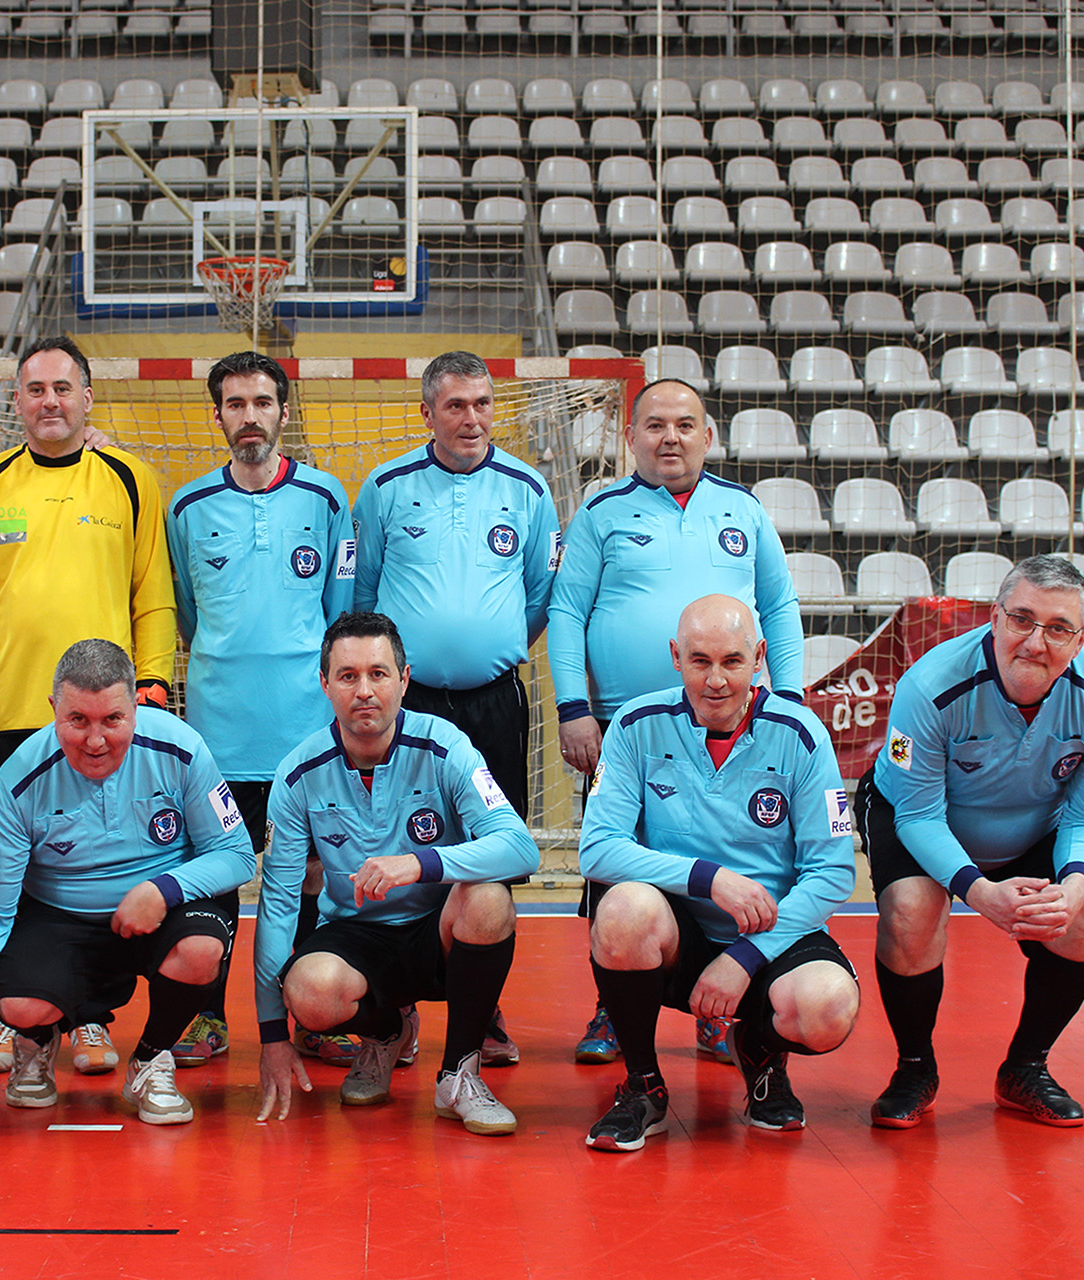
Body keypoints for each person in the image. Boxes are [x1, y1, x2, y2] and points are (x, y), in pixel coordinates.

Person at [548, 378, 805, 1067]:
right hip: (623, 730)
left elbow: (779, 608)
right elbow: (567, 613)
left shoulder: (743, 510)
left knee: (727, 854)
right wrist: (574, 709)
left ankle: (716, 1011)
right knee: (615, 873)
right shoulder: (601, 510)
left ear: (707, 436)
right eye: (655, 425)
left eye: (685, 425)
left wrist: (793, 698)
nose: (670, 437)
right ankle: (613, 1003)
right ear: (631, 437)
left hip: (734, 721)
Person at [0, 337, 176, 1069]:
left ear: (88, 397)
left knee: (106, 859)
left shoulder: (132, 480)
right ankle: (17, 1010)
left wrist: (154, 695)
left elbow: (154, 597)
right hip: (12, 715)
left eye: (63, 388)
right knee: (10, 868)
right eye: (35, 389)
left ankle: (91, 1014)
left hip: (106, 722)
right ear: (17, 401)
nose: (49, 401)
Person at [859, 554, 1084, 1129]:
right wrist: (979, 893)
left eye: (1058, 628)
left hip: (1033, 823)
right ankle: (914, 1067)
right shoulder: (930, 687)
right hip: (914, 813)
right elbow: (918, 816)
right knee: (913, 910)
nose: (1036, 642)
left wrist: (1075, 888)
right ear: (994, 618)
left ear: (1080, 639)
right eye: (1022, 619)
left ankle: (1025, 1068)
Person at [578, 595, 858, 1151]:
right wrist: (709, 879)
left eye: (732, 661)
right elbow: (598, 851)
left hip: (772, 936)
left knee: (828, 1008)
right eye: (700, 660)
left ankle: (758, 1052)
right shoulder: (635, 725)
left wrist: (747, 956)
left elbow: (832, 872)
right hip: (678, 936)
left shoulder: (802, 734)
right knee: (622, 910)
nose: (716, 680)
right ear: (675, 657)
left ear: (759, 657)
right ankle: (642, 1085)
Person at [0, 639, 254, 1133]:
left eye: (112, 720)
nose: (95, 741)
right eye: (78, 721)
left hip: (159, 910)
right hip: (61, 917)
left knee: (200, 950)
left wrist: (164, 890)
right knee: (22, 1005)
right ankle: (36, 1041)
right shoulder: (19, 779)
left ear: (135, 707)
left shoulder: (182, 748)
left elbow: (236, 853)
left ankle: (151, 1061)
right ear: (53, 710)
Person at [351, 350, 561, 1062]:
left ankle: (484, 1006)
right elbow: (362, 597)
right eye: (455, 406)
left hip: (494, 705)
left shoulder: (530, 488)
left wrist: (487, 647)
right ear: (427, 412)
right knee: (396, 848)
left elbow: (539, 597)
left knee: (488, 862)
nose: (471, 419)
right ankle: (394, 1005)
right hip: (409, 709)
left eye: (482, 404)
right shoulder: (383, 487)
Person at [255, 612, 539, 1135]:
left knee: (489, 900)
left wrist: (421, 864)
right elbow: (278, 903)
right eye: (348, 676)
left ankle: (459, 1074)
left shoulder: (446, 747)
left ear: (404, 679)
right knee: (310, 992)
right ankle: (387, 1033)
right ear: (324, 684)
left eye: (379, 674)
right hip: (355, 933)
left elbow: (521, 848)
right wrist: (273, 1035)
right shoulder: (297, 774)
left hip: (437, 926)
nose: (364, 690)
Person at [165, 351, 357, 1068]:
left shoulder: (328, 497)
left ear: (283, 411)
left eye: (263, 402)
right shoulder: (186, 506)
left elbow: (341, 614)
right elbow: (187, 615)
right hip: (220, 733)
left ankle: (311, 1014)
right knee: (218, 869)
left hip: (306, 733)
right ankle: (206, 1018)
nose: (250, 417)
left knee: (310, 874)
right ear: (216, 415)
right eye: (235, 403)